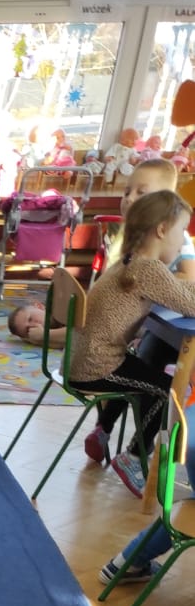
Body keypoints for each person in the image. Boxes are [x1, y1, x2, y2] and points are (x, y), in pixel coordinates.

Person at [68, 189, 195, 498]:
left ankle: (103, 431)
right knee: (167, 392)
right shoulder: (149, 269)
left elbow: (178, 294)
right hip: (96, 367)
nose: (182, 242)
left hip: (82, 359)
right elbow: (190, 304)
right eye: (182, 232)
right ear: (162, 230)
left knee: (140, 367)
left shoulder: (129, 261)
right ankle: (134, 456)